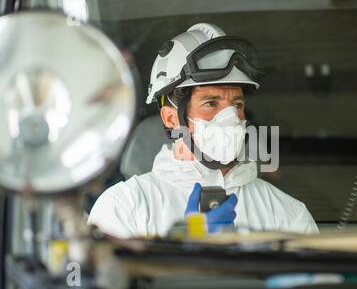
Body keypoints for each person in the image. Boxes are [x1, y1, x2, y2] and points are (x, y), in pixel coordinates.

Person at [88, 23, 318, 238]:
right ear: (171, 118)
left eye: (237, 105)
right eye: (211, 104)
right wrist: (187, 246)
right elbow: (93, 279)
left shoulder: (287, 214)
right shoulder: (125, 207)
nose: (230, 118)